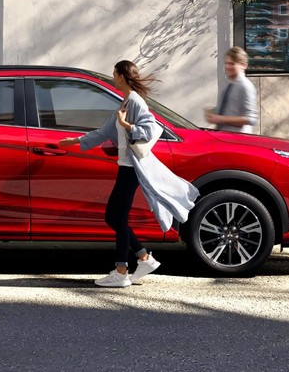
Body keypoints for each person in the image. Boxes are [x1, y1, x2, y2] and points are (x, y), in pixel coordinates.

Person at [59, 60, 198, 288]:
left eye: (114, 73)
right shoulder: (126, 100)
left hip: (131, 169)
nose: (113, 77)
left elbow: (150, 128)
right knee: (114, 217)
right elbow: (104, 131)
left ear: (122, 76)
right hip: (126, 167)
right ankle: (143, 259)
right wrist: (75, 141)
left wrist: (127, 125)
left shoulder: (135, 102)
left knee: (115, 217)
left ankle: (122, 271)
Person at [204, 46, 258, 133]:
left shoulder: (245, 86)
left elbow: (251, 119)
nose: (227, 66)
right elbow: (231, 111)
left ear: (243, 65)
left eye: (232, 64)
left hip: (238, 140)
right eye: (226, 63)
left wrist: (219, 118)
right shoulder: (228, 85)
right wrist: (213, 113)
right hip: (224, 138)